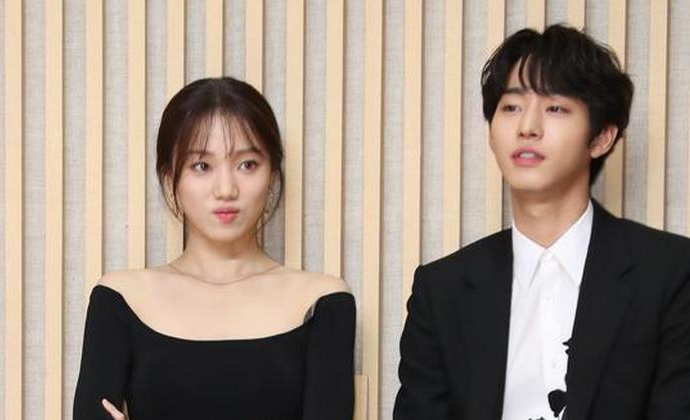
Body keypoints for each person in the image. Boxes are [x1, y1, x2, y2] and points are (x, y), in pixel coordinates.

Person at [394, 24, 690, 419]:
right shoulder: (441, 289)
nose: (527, 127)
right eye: (511, 107)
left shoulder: (671, 273)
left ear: (601, 136)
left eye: (555, 108)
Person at [73, 77, 355, 420]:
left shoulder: (322, 302)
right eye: (202, 166)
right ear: (170, 178)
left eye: (247, 164)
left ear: (272, 175)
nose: (225, 189)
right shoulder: (119, 298)